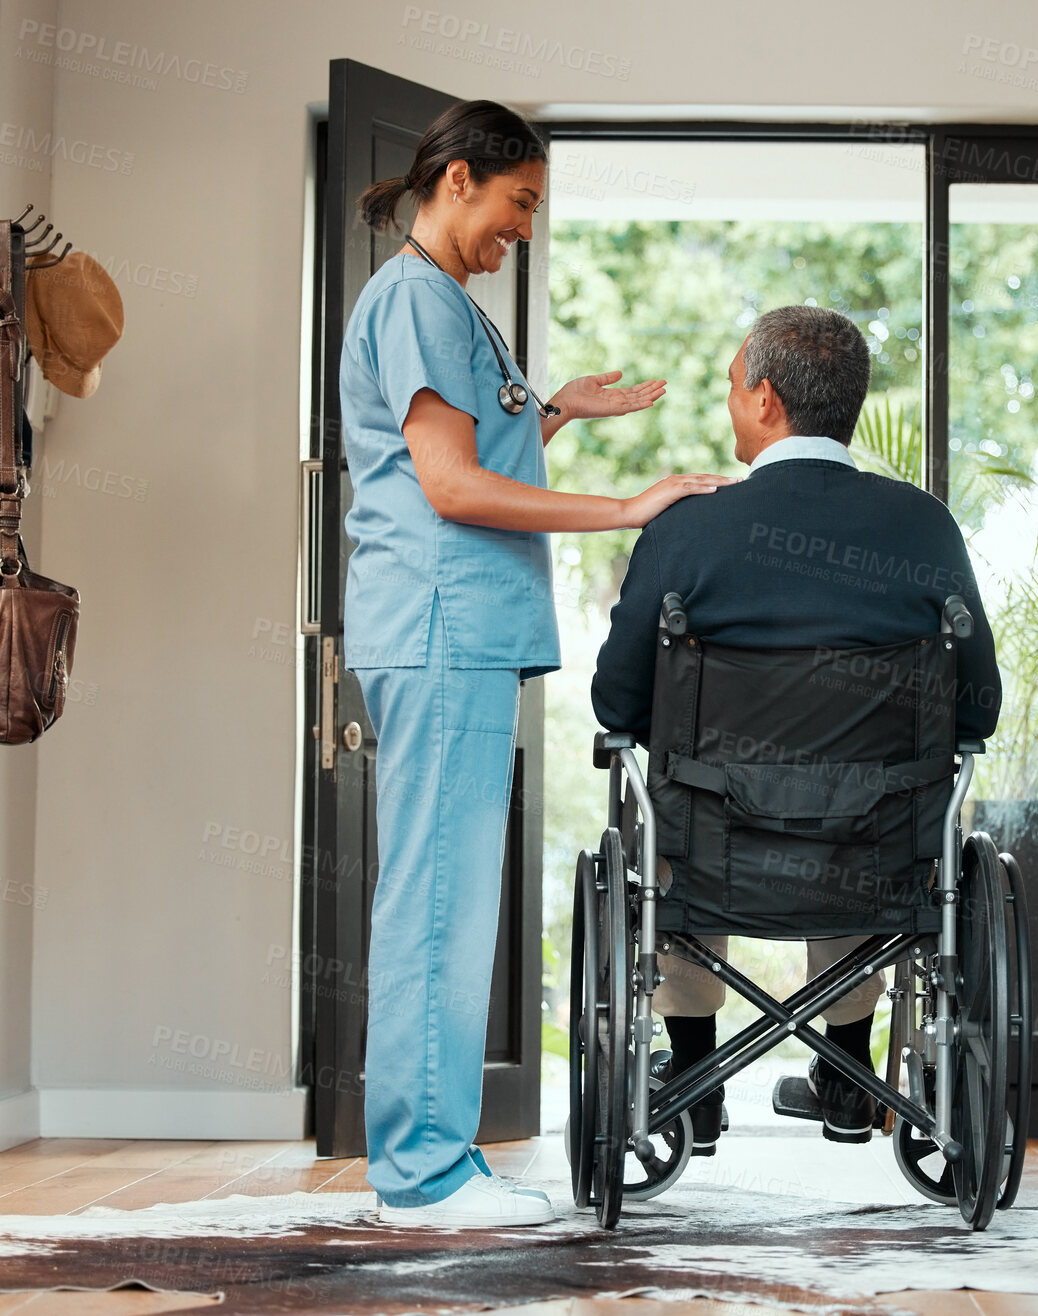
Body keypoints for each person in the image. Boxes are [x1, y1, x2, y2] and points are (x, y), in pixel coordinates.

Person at [341, 100, 732, 1229]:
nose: (523, 228)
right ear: (458, 177)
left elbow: (478, 455)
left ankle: (433, 1159)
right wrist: (628, 507)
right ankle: (421, 1172)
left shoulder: (444, 303)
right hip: (437, 624)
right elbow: (451, 488)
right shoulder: (417, 297)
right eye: (518, 204)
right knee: (435, 901)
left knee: (449, 897)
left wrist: (555, 408)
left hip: (454, 628)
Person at [591, 304, 1001, 1154]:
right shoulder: (923, 526)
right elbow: (978, 708)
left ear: (767, 398)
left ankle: (693, 1082)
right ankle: (849, 1077)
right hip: (870, 853)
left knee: (677, 808)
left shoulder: (686, 528)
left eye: (733, 385)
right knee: (868, 799)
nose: (729, 401)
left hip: (714, 854)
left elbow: (616, 704)